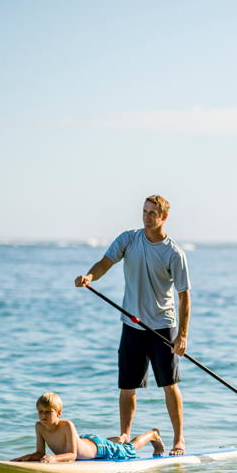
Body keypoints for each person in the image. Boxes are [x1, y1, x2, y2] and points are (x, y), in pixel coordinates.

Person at [75, 195, 190, 455]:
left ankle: (178, 440)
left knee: (169, 385)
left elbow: (184, 296)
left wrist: (182, 335)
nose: (147, 216)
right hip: (132, 324)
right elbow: (105, 262)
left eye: (152, 213)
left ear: (164, 217)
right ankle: (125, 434)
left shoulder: (174, 253)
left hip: (162, 326)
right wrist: (89, 276)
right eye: (144, 211)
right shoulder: (129, 239)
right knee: (127, 386)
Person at [11, 393, 165, 462]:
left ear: (58, 413)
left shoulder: (67, 425)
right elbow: (40, 452)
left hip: (99, 447)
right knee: (120, 443)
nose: (43, 416)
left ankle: (152, 435)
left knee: (128, 449)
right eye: (40, 412)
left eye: (48, 412)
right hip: (84, 440)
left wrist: (55, 458)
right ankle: (118, 439)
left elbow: (72, 455)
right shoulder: (39, 427)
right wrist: (28, 457)